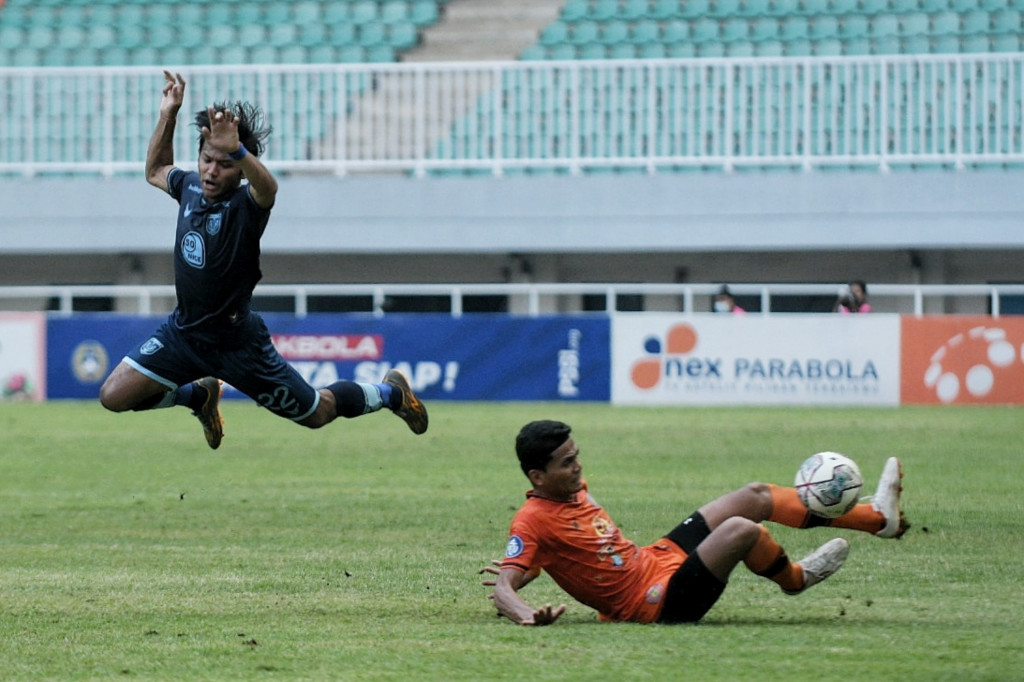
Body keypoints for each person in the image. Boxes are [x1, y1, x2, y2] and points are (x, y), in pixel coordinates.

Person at [99, 71, 428, 449]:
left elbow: (268, 187)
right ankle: (199, 396)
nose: (211, 170)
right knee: (114, 396)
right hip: (184, 335)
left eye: (224, 164)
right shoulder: (189, 187)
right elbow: (155, 170)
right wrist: (168, 115)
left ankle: (391, 394)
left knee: (318, 413)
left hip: (239, 347)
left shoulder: (246, 205)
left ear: (239, 170)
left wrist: (238, 150)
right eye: (207, 159)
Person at [481, 420, 907, 626]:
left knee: (755, 495)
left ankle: (876, 519)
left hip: (657, 560)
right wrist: (523, 612)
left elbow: (556, 555)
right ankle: (796, 578)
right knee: (741, 530)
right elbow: (505, 587)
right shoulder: (531, 520)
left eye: (577, 456)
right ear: (538, 477)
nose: (578, 468)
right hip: (651, 603)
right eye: (567, 463)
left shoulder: (570, 490)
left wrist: (534, 566)